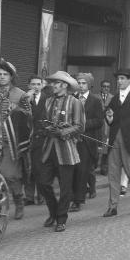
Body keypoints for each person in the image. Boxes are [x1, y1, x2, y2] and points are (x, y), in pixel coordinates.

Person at [37, 71, 85, 232]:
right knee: (43, 183)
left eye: (56, 83)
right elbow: (43, 121)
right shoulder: (48, 101)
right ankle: (53, 212)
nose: (53, 86)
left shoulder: (75, 102)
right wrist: (45, 128)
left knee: (65, 187)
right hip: (48, 148)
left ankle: (61, 219)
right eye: (52, 83)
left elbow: (79, 126)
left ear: (64, 85)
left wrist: (63, 132)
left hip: (66, 150)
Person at [102, 68, 130, 218]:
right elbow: (111, 119)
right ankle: (112, 206)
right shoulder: (114, 99)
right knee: (113, 174)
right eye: (118, 78)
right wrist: (109, 118)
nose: (119, 81)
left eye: (122, 78)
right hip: (115, 139)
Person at [0, 59, 32, 220]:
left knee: (10, 174)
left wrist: (17, 110)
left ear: (11, 76)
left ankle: (19, 201)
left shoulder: (21, 94)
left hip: (12, 141)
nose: (2, 77)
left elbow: (29, 117)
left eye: (5, 74)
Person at [69, 73, 104, 211]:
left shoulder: (95, 100)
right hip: (72, 140)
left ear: (89, 85)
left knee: (82, 171)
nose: (81, 85)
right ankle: (72, 196)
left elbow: (99, 121)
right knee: (72, 169)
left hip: (87, 141)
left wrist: (82, 125)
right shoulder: (72, 98)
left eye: (84, 83)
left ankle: (78, 200)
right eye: (79, 83)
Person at [24, 75, 47, 206]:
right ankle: (29, 196)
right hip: (27, 137)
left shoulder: (47, 99)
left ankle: (41, 194)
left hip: (42, 137)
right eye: (33, 84)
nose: (36, 87)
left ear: (42, 85)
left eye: (38, 84)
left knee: (40, 167)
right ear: (29, 86)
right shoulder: (25, 99)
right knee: (28, 167)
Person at [98, 79, 113, 175]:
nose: (106, 88)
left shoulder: (112, 97)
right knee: (97, 144)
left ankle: (104, 167)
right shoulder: (95, 97)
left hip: (108, 124)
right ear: (101, 87)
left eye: (108, 87)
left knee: (106, 146)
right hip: (98, 124)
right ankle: (95, 165)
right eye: (104, 86)